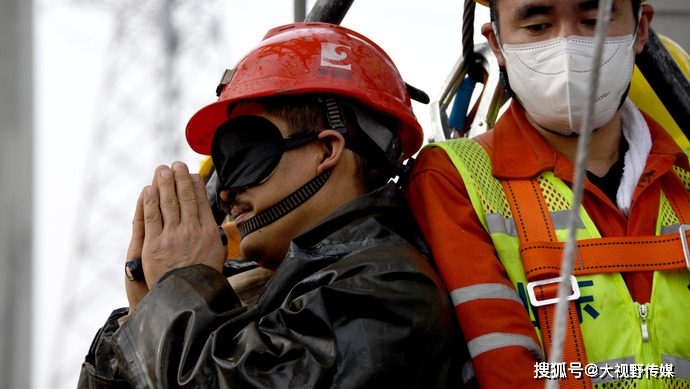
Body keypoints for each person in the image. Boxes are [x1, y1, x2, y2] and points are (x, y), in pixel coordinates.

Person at [77, 22, 468, 388]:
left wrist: (177, 293)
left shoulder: (387, 290)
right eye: (224, 163)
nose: (227, 192)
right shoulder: (254, 294)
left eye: (245, 152)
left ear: (328, 149)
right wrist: (143, 319)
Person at [405, 0, 690, 387]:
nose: (568, 45)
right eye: (538, 27)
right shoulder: (455, 180)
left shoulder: (685, 175)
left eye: (594, 20)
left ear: (640, 31)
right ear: (498, 44)